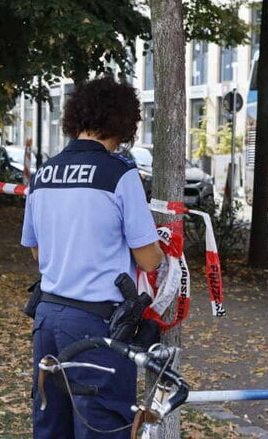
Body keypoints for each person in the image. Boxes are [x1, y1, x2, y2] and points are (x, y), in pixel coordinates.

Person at [21, 76, 164, 439]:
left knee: (51, 425)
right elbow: (149, 260)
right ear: (124, 120)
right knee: (103, 425)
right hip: (97, 325)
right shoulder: (119, 174)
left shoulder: (44, 174)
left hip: (47, 318)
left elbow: (38, 252)